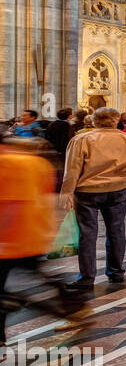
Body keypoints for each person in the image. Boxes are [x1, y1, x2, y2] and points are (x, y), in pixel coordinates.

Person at [0, 137, 85, 344]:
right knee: (38, 276)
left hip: (10, 239)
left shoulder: (6, 162)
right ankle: (73, 308)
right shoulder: (37, 162)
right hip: (34, 233)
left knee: (7, 288)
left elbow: (11, 204)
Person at [59, 107, 126, 290]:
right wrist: (121, 175)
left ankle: (87, 277)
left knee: (88, 233)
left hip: (87, 191)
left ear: (94, 121)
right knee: (116, 231)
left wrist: (67, 193)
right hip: (118, 189)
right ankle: (116, 272)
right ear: (116, 121)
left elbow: (72, 170)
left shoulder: (82, 139)